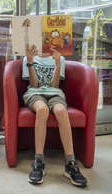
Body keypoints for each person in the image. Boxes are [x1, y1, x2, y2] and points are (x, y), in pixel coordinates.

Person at [23, 44, 87, 187]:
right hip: (34, 94)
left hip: (55, 94)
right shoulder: (27, 57)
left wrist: (57, 63)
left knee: (61, 111)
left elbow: (54, 85)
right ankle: (38, 162)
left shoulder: (60, 58)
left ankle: (70, 164)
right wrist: (30, 61)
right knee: (42, 110)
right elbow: (34, 85)